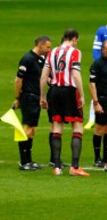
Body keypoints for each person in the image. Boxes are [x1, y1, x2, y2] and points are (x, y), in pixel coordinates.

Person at [40, 28, 89, 176]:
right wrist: (81, 94)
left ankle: (57, 167)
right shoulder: (75, 52)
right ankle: (74, 167)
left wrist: (42, 96)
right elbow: (75, 74)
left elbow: (43, 76)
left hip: (54, 91)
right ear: (74, 39)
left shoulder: (52, 52)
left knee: (56, 126)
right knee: (78, 126)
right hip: (69, 91)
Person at [12, 36, 52, 170]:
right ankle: (23, 162)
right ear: (40, 45)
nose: (49, 49)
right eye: (47, 47)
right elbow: (18, 80)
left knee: (32, 130)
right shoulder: (27, 59)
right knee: (27, 128)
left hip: (35, 98)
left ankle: (29, 160)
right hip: (28, 97)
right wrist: (17, 98)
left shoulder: (40, 59)